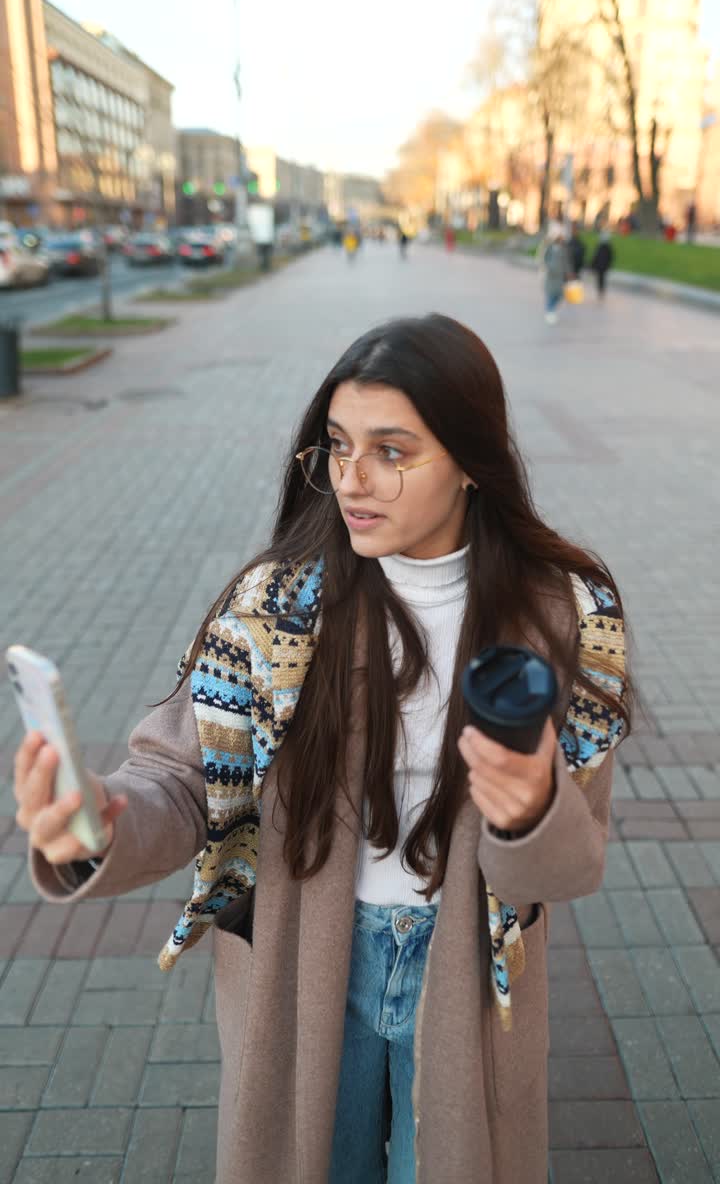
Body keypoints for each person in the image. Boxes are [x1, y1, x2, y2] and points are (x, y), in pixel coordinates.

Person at [14, 315, 631, 1184]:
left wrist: (530, 810)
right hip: (304, 968)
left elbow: (570, 864)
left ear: (470, 460)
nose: (352, 479)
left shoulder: (563, 617)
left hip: (462, 974)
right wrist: (98, 824)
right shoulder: (274, 607)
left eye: (392, 450)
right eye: (337, 446)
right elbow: (182, 782)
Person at [539, 222, 569, 324]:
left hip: (560, 276)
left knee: (559, 295)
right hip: (551, 275)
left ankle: (551, 310)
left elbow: (566, 262)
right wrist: (548, 268)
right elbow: (543, 258)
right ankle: (550, 311)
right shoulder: (549, 247)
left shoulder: (564, 249)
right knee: (551, 294)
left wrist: (568, 272)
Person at [590, 231, 614, 299]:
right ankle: (600, 290)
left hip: (603, 266)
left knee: (601, 278)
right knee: (600, 278)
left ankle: (601, 291)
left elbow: (609, 257)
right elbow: (596, 256)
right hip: (600, 266)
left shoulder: (607, 247)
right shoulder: (601, 246)